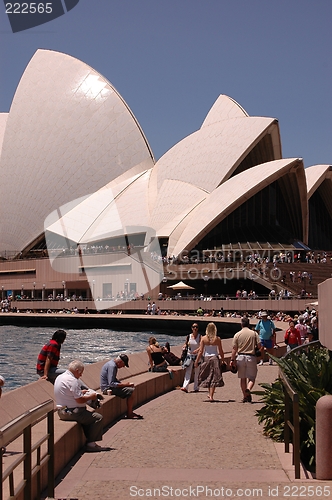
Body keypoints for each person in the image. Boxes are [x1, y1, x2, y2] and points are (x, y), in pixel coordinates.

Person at [54, 360, 109, 452]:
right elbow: (79, 400)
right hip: (73, 412)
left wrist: (81, 392)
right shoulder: (73, 380)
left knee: (87, 418)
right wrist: (91, 396)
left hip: (62, 411)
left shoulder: (60, 377)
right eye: (81, 373)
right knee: (98, 418)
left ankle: (89, 440)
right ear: (77, 371)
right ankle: (91, 445)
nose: (81, 375)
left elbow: (68, 393)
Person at [100, 354, 143, 419]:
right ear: (120, 362)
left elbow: (113, 380)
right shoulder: (112, 366)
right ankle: (129, 413)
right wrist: (126, 384)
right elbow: (111, 383)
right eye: (123, 364)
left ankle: (130, 412)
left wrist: (122, 384)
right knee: (131, 391)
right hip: (107, 389)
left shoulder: (112, 364)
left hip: (108, 387)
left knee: (130, 388)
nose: (123, 366)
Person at [230, 317, 261, 403]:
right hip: (251, 356)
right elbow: (259, 345)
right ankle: (248, 388)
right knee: (252, 377)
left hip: (240, 357)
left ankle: (245, 396)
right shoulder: (254, 334)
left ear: (241, 324)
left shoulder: (237, 334)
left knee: (242, 378)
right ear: (249, 324)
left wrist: (232, 360)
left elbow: (234, 349)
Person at [194, 322, 224, 401]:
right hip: (215, 358)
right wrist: (223, 360)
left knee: (207, 375)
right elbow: (221, 351)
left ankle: (209, 394)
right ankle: (211, 395)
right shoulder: (217, 339)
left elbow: (200, 351)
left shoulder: (203, 338)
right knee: (214, 377)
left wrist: (196, 361)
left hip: (206, 358)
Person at [181, 323, 201, 393]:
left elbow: (202, 346)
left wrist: (197, 350)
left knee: (197, 372)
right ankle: (185, 386)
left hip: (197, 356)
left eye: (196, 327)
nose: (195, 328)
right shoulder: (189, 336)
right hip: (189, 355)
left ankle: (196, 387)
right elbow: (186, 343)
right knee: (188, 371)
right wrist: (184, 346)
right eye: (193, 327)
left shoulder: (200, 336)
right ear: (191, 328)